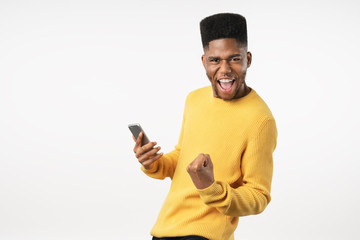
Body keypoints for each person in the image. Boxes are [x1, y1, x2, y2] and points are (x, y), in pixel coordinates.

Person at [132, 13, 278, 240]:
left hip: (207, 236)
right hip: (164, 228)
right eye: (215, 60)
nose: (225, 69)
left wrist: (211, 188)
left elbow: (258, 197)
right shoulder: (194, 100)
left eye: (234, 59)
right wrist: (154, 163)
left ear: (248, 59)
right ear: (204, 62)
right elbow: (182, 159)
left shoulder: (260, 120)